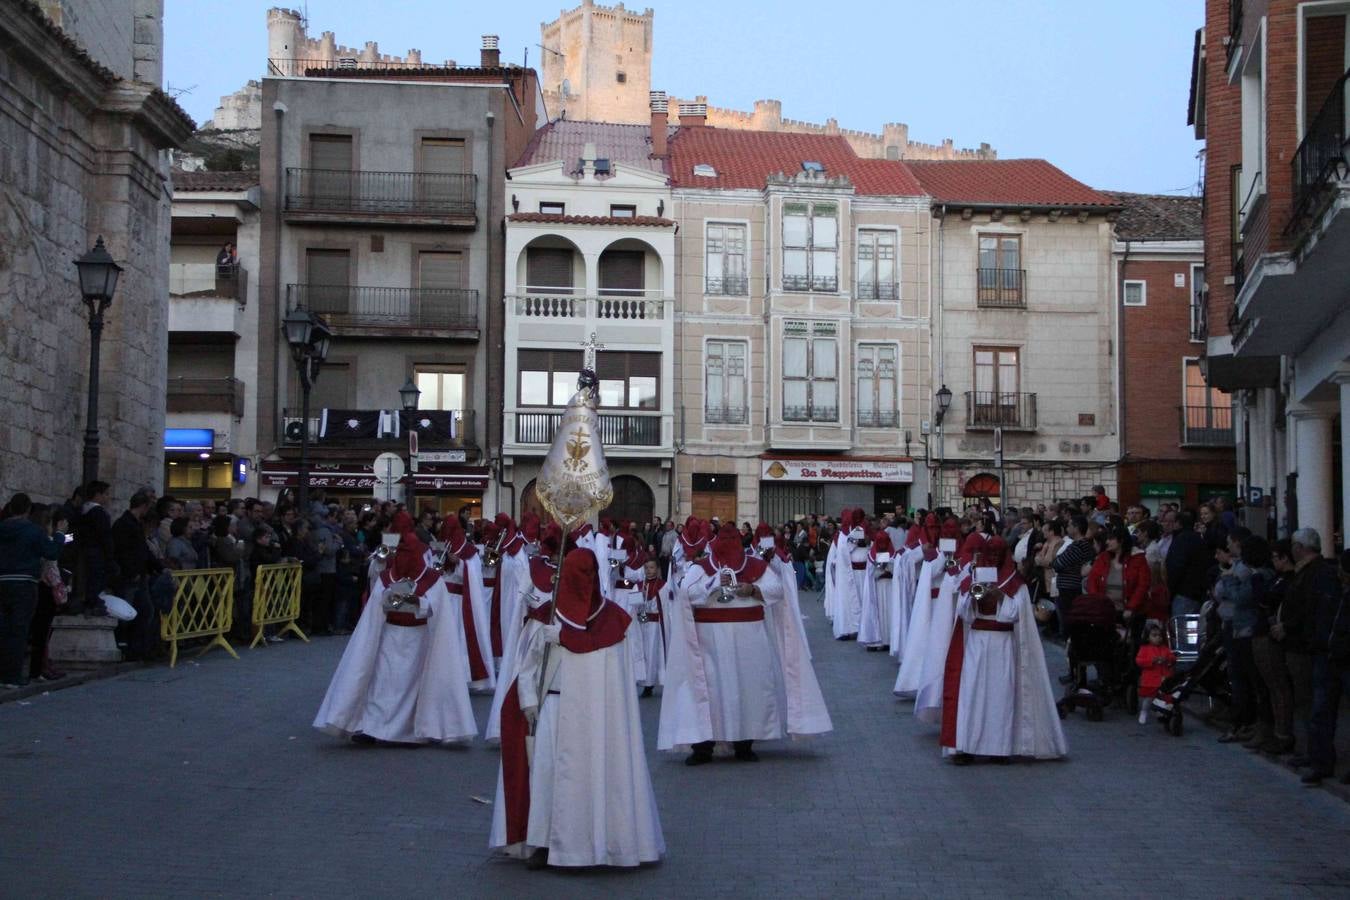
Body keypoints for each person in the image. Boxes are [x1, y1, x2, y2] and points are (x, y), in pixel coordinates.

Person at [490, 547, 664, 869]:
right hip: (553, 709)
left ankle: (604, 841)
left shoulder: (614, 621)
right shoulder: (546, 615)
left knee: (596, 776)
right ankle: (543, 842)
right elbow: (528, 665)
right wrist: (528, 700)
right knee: (547, 778)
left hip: (598, 717)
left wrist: (566, 638)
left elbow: (610, 674)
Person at [658, 524, 830, 764]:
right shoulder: (702, 568)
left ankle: (744, 743)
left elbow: (777, 589)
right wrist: (712, 585)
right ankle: (703, 746)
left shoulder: (756, 566)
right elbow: (687, 594)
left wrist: (752, 589)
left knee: (749, 688)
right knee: (709, 689)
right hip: (710, 641)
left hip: (750, 638)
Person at [314, 529, 477, 746]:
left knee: (410, 685)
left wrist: (419, 604)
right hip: (389, 634)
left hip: (417, 638)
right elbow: (373, 610)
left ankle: (407, 731)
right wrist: (388, 599)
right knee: (382, 680)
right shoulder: (386, 577)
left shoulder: (432, 579)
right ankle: (372, 727)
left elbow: (438, 610)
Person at [1, 495, 66, 688]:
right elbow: (51, 552)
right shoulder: (33, 530)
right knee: (19, 630)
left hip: (2, 581)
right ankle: (12, 676)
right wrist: (60, 535)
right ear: (28, 510)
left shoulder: (2, 528)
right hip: (24, 582)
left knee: (4, 629)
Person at [439, 517, 495, 693]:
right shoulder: (440, 548)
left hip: (459, 603)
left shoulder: (469, 552)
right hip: (443, 600)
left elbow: (474, 573)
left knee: (459, 638)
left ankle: (462, 676)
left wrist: (459, 563)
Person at [635, 557, 669, 696]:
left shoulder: (663, 585)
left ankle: (657, 682)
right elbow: (633, 607)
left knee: (655, 653)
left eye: (652, 567)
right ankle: (646, 684)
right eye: (646, 568)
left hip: (656, 626)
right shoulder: (638, 585)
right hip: (642, 626)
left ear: (658, 569)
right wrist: (639, 597)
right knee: (644, 653)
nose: (649, 571)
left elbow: (667, 607)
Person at [1135, 623, 1176, 724]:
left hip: (1164, 678)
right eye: (1154, 635)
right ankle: (1144, 712)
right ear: (1148, 637)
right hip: (1151, 679)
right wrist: (1151, 661)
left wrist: (1166, 659)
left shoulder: (1165, 649)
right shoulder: (1144, 648)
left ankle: (1161, 713)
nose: (1158, 638)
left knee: (1165, 697)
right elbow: (1139, 661)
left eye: (1159, 635)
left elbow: (1173, 658)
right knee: (1149, 698)